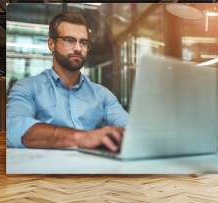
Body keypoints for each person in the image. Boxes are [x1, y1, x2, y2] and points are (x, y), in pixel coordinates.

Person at [7, 12, 128, 152]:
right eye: (69, 40)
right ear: (51, 44)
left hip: (92, 170)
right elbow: (14, 128)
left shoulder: (102, 95)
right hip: (44, 171)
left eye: (83, 42)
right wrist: (82, 137)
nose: (78, 48)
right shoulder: (27, 87)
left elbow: (132, 128)